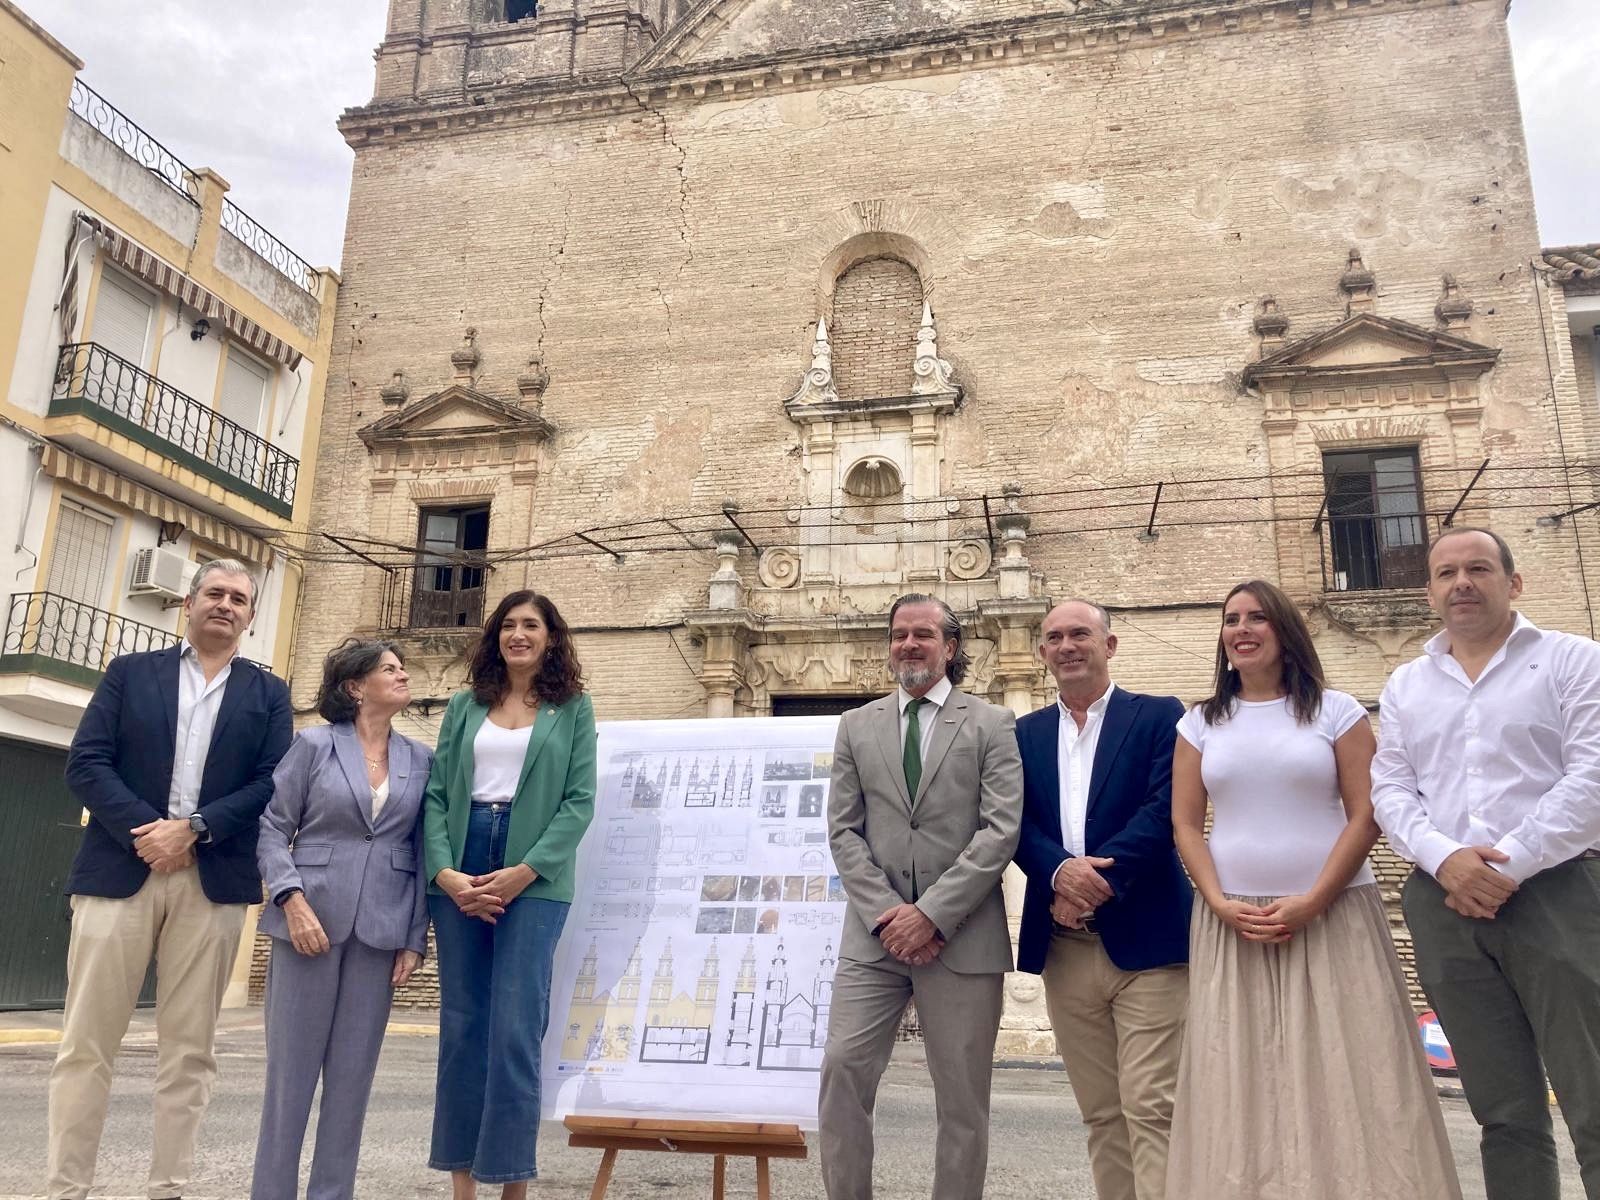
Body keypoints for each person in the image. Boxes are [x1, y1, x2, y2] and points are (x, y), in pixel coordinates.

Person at [1165, 579, 1460, 1199]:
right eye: (1231, 619)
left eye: (1257, 619)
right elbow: (1186, 822)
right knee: (1240, 1073)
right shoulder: (1199, 723)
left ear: (1285, 631)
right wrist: (1217, 900)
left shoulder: (1337, 711)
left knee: (1353, 1068)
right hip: (1233, 921)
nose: (1241, 629)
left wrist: (1315, 899)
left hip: (1334, 915)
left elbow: (1367, 813)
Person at [47, 559, 292, 1200]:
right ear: (188, 602)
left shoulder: (268, 694)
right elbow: (87, 761)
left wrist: (197, 829)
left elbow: (272, 782)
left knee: (189, 1052)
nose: (227, 604)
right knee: (85, 1043)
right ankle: (65, 1187)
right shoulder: (132, 674)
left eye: (240, 598)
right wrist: (150, 831)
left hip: (210, 881)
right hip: (118, 872)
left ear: (251, 615)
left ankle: (167, 1188)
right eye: (215, 592)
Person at [1372, 528, 1600, 1200]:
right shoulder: (1408, 684)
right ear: (1431, 591)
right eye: (1446, 573)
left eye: (1478, 568)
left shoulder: (1572, 661)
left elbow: (1592, 775)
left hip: (1558, 892)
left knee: (1592, 1094)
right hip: (1444, 905)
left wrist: (1512, 864)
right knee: (1502, 1111)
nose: (1461, 582)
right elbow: (1390, 787)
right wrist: (1445, 861)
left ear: (1513, 582)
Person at [818, 593, 1023, 1200]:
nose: (909, 644)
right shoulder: (857, 726)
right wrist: (891, 916)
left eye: (923, 635)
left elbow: (1000, 828)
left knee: (962, 1101)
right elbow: (843, 830)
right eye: (899, 635)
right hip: (873, 939)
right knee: (842, 1073)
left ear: (949, 647)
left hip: (962, 940)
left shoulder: (990, 723)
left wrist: (931, 914)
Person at [1012, 600, 1188, 1200]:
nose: (1067, 645)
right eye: (1054, 637)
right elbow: (1015, 823)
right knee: (1102, 1112)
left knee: (1152, 1106)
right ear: (1042, 653)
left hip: (1149, 946)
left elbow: (1166, 810)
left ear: (1108, 646)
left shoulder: (1159, 716)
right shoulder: (1025, 733)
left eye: (1080, 634)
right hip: (1064, 946)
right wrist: (1059, 873)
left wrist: (1097, 881)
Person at [423, 590, 596, 1198]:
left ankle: (512, 1183)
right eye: (509, 625)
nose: (518, 634)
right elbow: (439, 795)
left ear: (551, 638)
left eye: (532, 625)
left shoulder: (572, 708)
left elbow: (579, 803)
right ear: (495, 636)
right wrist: (444, 873)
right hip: (462, 866)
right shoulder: (465, 706)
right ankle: (462, 1184)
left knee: (517, 1029)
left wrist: (527, 871)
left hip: (535, 878)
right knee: (463, 1025)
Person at [251, 639, 433, 1199]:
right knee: (290, 1083)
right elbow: (272, 828)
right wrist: (291, 899)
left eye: (402, 668)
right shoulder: (312, 746)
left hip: (380, 933)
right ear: (355, 687)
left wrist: (413, 939)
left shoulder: (421, 759)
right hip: (308, 924)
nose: (403, 675)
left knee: (351, 1086)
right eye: (389, 669)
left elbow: (425, 851)